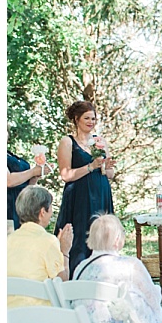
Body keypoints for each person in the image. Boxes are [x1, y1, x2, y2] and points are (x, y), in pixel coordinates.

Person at [71, 214, 162, 323]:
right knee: (143, 308)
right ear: (116, 240)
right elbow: (153, 299)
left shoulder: (81, 267)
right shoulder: (131, 265)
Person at [55, 100, 117, 278]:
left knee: (102, 236)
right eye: (87, 118)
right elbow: (65, 175)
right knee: (81, 238)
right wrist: (90, 166)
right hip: (80, 196)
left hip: (101, 193)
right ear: (76, 119)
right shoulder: (67, 142)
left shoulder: (100, 141)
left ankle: (102, 277)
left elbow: (110, 174)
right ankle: (75, 278)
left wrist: (107, 167)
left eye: (94, 119)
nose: (91, 122)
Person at [7, 185, 73, 307]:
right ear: (43, 212)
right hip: (39, 317)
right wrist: (64, 251)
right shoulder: (48, 241)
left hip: (9, 318)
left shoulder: (8, 240)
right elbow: (61, 284)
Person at [7, 151, 41, 230]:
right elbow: (8, 181)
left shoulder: (10, 154)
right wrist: (33, 172)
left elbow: (28, 187)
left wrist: (35, 176)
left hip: (20, 208)